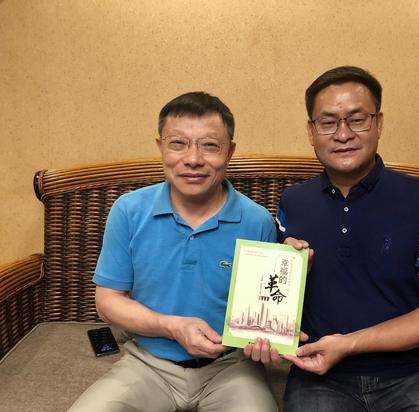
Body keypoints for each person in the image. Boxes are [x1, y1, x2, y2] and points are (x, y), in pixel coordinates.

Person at [248, 66, 419, 411]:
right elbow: (274, 302)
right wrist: (272, 311)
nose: (343, 134)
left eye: (357, 120)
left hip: (412, 374)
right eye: (328, 122)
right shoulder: (292, 203)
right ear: (311, 131)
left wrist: (348, 344)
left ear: (379, 123)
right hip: (317, 376)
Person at [69, 92, 278, 412]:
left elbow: (264, 317)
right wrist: (174, 327)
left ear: (230, 152)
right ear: (160, 146)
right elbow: (107, 301)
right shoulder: (128, 211)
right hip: (147, 364)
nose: (193, 159)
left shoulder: (257, 221)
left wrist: (267, 339)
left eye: (210, 145)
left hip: (230, 368)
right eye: (178, 143)